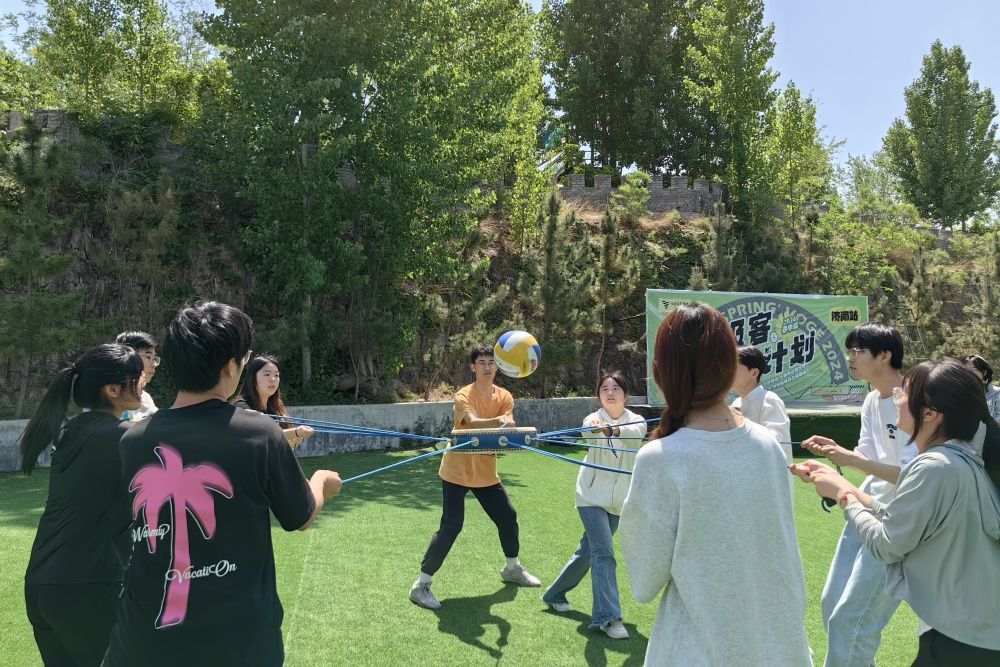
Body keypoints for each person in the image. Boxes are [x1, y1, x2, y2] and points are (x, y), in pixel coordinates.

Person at [102, 301, 342, 667]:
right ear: (231, 366)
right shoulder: (258, 434)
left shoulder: (132, 440)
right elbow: (301, 516)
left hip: (141, 642)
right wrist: (322, 480)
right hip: (239, 643)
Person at [619, 303, 810, 665]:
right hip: (781, 647)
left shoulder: (660, 458)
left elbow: (644, 581)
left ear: (662, 371)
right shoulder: (768, 444)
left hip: (698, 651)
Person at [792, 359, 1000, 666]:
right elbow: (902, 517)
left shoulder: (934, 467)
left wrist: (844, 497)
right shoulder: (954, 458)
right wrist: (841, 484)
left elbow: (887, 545)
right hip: (969, 634)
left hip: (961, 642)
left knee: (850, 624)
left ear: (930, 414)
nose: (897, 397)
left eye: (904, 392)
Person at [21, 344, 144, 666]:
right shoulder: (123, 437)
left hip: (43, 581)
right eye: (137, 376)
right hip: (88, 583)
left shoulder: (70, 432)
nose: (144, 381)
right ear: (112, 390)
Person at [801, 323, 915, 667]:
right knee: (832, 605)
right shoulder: (871, 399)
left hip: (899, 516)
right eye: (849, 350)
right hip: (865, 504)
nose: (850, 357)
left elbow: (915, 476)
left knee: (851, 621)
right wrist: (835, 452)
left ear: (884, 356)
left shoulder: (913, 399)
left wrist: (851, 460)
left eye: (857, 351)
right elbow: (867, 459)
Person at [410, 344, 541, 610]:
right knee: (452, 525)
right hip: (456, 471)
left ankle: (512, 568)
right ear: (473, 367)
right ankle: (420, 585)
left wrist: (508, 425)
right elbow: (471, 423)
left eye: (491, 362)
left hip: (485, 473)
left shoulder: (505, 396)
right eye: (482, 362)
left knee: (507, 516)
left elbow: (506, 427)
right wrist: (500, 421)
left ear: (498, 367)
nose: (487, 367)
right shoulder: (463, 395)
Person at [542, 370, 646, 640]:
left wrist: (612, 429)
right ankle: (608, 617)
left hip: (619, 501)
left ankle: (554, 593)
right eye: (604, 389)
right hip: (590, 497)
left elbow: (633, 435)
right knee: (604, 553)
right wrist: (598, 428)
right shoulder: (592, 418)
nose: (610, 393)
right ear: (598, 395)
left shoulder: (638, 421)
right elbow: (588, 433)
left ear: (626, 395)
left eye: (616, 388)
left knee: (588, 552)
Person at [234, 355, 314, 448]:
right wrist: (295, 432)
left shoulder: (276, 409)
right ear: (253, 378)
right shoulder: (241, 406)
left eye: (276, 375)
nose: (273, 379)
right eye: (267, 374)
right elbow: (260, 435)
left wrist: (293, 443)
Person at [731, 345, 792, 464]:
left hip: (769, 473)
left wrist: (741, 421)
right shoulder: (736, 402)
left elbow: (779, 441)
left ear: (754, 373)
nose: (728, 370)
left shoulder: (769, 399)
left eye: (735, 366)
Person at [116, 331, 160, 421]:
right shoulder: (111, 399)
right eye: (148, 356)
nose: (154, 364)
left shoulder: (146, 398)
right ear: (128, 356)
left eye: (155, 358)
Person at [964, 355, 1000, 426]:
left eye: (974, 369)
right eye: (966, 370)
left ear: (984, 371)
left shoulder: (997, 393)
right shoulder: (962, 394)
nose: (970, 373)